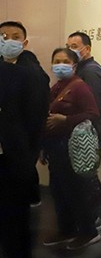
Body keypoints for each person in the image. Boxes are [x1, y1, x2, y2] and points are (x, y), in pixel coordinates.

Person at [42, 48, 101, 251]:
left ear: (74, 66)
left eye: (65, 61)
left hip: (73, 146)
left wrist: (66, 120)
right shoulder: (57, 86)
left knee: (76, 191)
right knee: (59, 191)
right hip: (55, 146)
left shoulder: (80, 87)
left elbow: (93, 113)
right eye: (56, 61)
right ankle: (66, 229)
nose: (60, 65)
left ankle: (88, 231)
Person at [0, 54, 45, 258]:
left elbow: (36, 120)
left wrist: (26, 159)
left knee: (15, 229)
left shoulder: (20, 76)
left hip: (9, 164)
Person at [65, 31, 101, 221]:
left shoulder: (89, 71)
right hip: (89, 128)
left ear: (87, 48)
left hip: (91, 130)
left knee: (85, 172)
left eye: (74, 47)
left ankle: (94, 216)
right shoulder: (83, 69)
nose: (70, 50)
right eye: (68, 46)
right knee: (86, 172)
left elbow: (93, 106)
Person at [0, 21, 49, 207]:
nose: (8, 41)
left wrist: (32, 146)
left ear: (24, 42)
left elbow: (37, 112)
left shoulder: (33, 73)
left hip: (20, 141)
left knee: (16, 190)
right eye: (4, 37)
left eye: (15, 37)